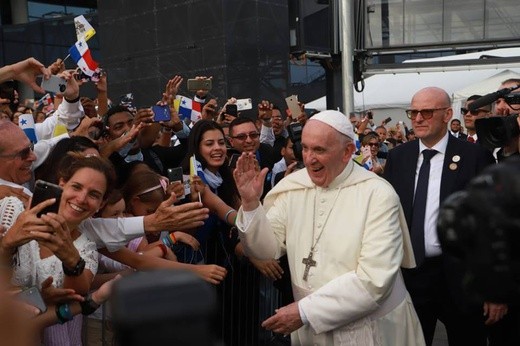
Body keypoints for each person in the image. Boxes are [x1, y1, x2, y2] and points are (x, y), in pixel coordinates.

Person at [233, 110, 424, 345]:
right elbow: (265, 251)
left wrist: (304, 311)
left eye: (319, 150)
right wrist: (251, 205)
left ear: (347, 152)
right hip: (311, 328)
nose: (309, 158)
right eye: (305, 148)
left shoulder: (378, 194)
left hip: (372, 328)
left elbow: (374, 281)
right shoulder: (294, 187)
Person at [384, 87, 496, 346]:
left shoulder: (475, 157)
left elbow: (490, 225)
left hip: (460, 277)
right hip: (411, 275)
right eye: (413, 112)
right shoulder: (399, 157)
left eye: (426, 111)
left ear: (447, 114)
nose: (418, 118)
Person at [5, 153, 116, 345]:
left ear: (101, 205)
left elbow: (76, 292)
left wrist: (71, 260)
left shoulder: (86, 249)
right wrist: (8, 242)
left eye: (94, 194)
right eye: (76, 186)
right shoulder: (11, 210)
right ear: (62, 184)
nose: (81, 198)